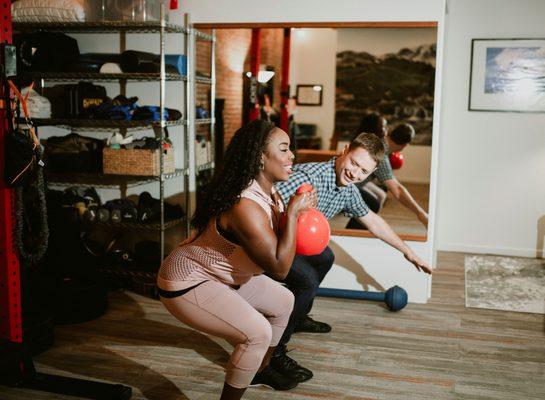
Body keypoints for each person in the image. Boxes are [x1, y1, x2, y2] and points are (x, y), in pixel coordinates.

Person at [157, 119, 311, 399]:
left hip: (224, 275)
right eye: (285, 149)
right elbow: (279, 268)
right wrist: (293, 216)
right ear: (260, 157)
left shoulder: (269, 191)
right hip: (187, 282)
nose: (292, 156)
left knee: (284, 301)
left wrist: (293, 213)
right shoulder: (246, 207)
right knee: (258, 333)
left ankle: (258, 371)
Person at [272, 132, 433, 380]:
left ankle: (298, 316)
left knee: (325, 257)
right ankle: (273, 354)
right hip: (273, 242)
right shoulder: (310, 177)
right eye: (354, 163)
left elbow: (374, 222)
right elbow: (263, 203)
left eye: (364, 172)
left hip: (294, 243)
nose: (355, 174)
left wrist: (409, 252)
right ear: (345, 150)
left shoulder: (348, 190)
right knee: (306, 281)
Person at [347, 115, 429, 229]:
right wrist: (421, 213)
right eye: (383, 126)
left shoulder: (380, 143)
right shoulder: (381, 153)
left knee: (380, 194)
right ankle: (353, 232)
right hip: (347, 185)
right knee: (372, 203)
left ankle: (364, 226)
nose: (385, 129)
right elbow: (398, 190)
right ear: (405, 145)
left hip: (355, 182)